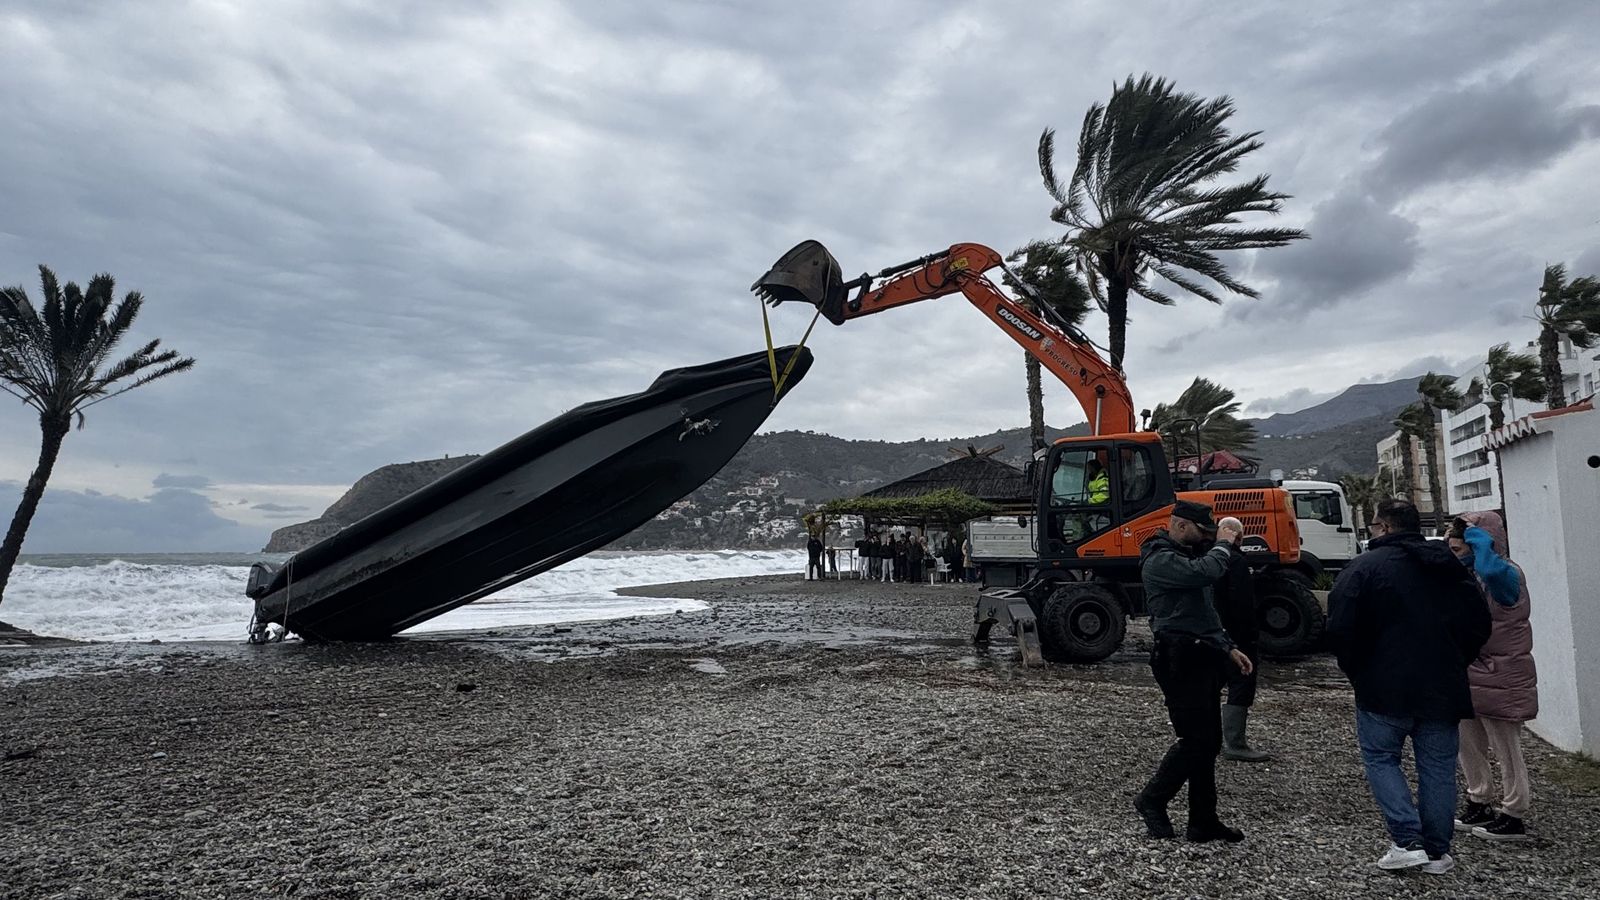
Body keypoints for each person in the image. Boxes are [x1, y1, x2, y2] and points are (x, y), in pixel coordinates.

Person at [1327, 499, 1490, 875]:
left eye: (1374, 525)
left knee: (1382, 759)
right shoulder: (1450, 568)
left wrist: (1358, 670)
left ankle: (1407, 840)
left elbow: (1340, 627)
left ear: (1384, 527)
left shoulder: (1364, 568)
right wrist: (1455, 660)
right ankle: (1436, 850)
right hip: (1442, 684)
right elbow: (1478, 622)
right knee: (1438, 767)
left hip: (1382, 686)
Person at [1133, 500, 1255, 844]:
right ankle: (1152, 799)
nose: (1205, 538)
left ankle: (1203, 821)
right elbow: (1207, 572)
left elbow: (1204, 611)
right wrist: (1224, 543)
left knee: (1209, 741)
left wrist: (1227, 647)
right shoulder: (1160, 560)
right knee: (1196, 740)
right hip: (1178, 656)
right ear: (1180, 525)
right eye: (1201, 531)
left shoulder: (1183, 556)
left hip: (1200, 653)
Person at [1447, 512, 1537, 842]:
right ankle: (1479, 800)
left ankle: (1514, 813)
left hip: (1503, 674)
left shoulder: (1505, 574)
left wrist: (1478, 536)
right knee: (1468, 743)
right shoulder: (1470, 575)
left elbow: (1491, 569)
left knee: (1507, 749)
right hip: (1472, 670)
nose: (1454, 556)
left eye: (1459, 549)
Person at [1209, 517, 1271, 763]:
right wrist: (1250, 635)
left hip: (1213, 633)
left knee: (1212, 683)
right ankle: (1235, 743)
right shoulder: (1237, 562)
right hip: (1238, 635)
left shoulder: (1208, 560)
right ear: (1239, 536)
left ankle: (1208, 737)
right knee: (1241, 684)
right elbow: (1242, 603)